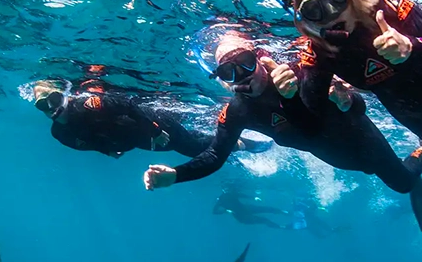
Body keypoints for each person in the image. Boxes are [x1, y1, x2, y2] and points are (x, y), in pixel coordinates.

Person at [142, 33, 422, 229]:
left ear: (259, 59)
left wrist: (346, 100)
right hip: (336, 156)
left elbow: (357, 104)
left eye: (246, 62)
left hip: (360, 137)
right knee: (370, 170)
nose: (243, 74)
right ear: (224, 81)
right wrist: (176, 175)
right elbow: (215, 154)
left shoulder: (298, 72)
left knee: (402, 183)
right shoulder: (239, 110)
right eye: (229, 71)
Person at [282, 0, 422, 138]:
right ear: (304, 19)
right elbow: (311, 124)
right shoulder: (319, 52)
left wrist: (412, 47)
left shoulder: (390, 7)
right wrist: (289, 97)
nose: (332, 13)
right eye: (313, 9)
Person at [32, 78, 271, 159]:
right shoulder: (60, 133)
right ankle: (237, 142)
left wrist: (155, 131)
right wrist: (106, 150)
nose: (52, 108)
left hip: (153, 124)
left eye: (54, 99)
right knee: (193, 144)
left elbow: (129, 105)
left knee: (193, 146)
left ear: (63, 95)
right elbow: (88, 144)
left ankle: (246, 143)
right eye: (43, 105)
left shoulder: (88, 103)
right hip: (139, 140)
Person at [212, 189, 290, 229]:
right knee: (264, 220)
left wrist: (254, 198)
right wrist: (225, 211)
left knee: (266, 208)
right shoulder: (221, 200)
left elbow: (242, 195)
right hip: (241, 217)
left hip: (245, 208)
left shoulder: (232, 194)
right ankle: (280, 226)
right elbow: (214, 211)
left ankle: (283, 212)